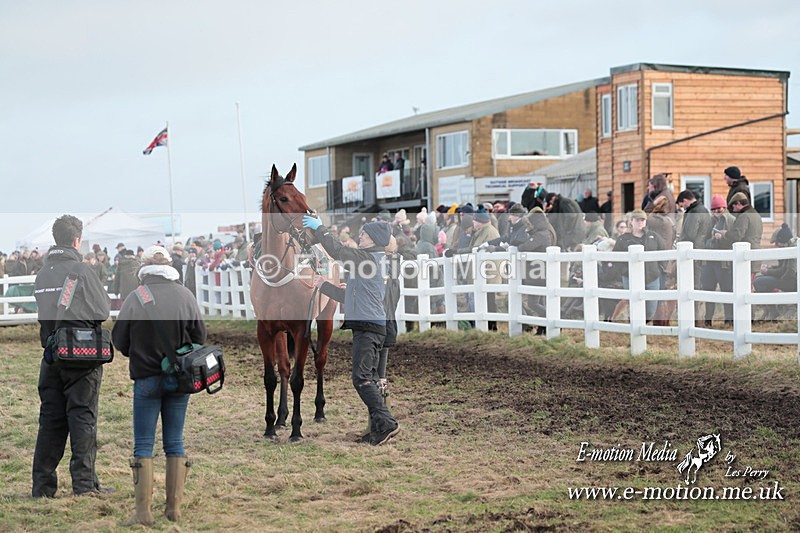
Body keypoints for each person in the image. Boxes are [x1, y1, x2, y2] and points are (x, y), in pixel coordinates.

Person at [112, 245, 207, 525]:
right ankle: (173, 510)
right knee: (175, 442)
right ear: (169, 265)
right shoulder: (185, 295)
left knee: (143, 443)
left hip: (146, 377)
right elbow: (199, 336)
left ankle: (143, 513)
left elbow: (120, 339)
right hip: (179, 378)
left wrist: (138, 353)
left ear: (143, 267)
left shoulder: (134, 298)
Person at [31, 214, 111, 497]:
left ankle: (42, 487)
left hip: (51, 356)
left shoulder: (42, 274)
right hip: (80, 355)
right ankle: (85, 485)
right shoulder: (82, 270)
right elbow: (102, 311)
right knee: (82, 417)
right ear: (77, 240)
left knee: (50, 421)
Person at [302, 216, 400, 446]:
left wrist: (320, 229)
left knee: (362, 379)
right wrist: (324, 286)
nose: (360, 237)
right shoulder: (375, 260)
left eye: (364, 235)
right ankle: (377, 428)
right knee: (371, 378)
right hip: (373, 326)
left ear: (374, 239)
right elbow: (350, 296)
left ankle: (386, 422)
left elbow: (336, 251)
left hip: (367, 327)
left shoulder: (365, 258)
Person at [609, 210, 666, 321]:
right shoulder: (623, 239)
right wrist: (624, 271)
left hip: (652, 277)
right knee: (634, 305)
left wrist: (659, 269)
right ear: (631, 221)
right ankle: (635, 330)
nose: (640, 222)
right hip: (631, 277)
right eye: (637, 220)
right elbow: (616, 257)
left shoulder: (654, 237)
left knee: (650, 309)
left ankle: (644, 325)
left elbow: (663, 252)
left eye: (642, 220)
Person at [676, 189, 714, 325]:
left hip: (692, 252)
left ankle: (695, 321)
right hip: (702, 250)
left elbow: (690, 233)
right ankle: (698, 320)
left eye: (682, 205)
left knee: (693, 286)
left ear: (686, 201)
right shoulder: (703, 209)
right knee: (698, 286)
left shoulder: (693, 212)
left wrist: (679, 242)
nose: (682, 208)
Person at [754, 224, 796, 320]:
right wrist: (770, 268)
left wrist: (768, 271)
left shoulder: (792, 249)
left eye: (777, 243)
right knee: (758, 279)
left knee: (759, 282)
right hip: (788, 278)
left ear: (782, 241)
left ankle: (773, 312)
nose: (776, 245)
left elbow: (789, 271)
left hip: (791, 280)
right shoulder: (788, 247)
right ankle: (769, 311)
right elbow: (782, 268)